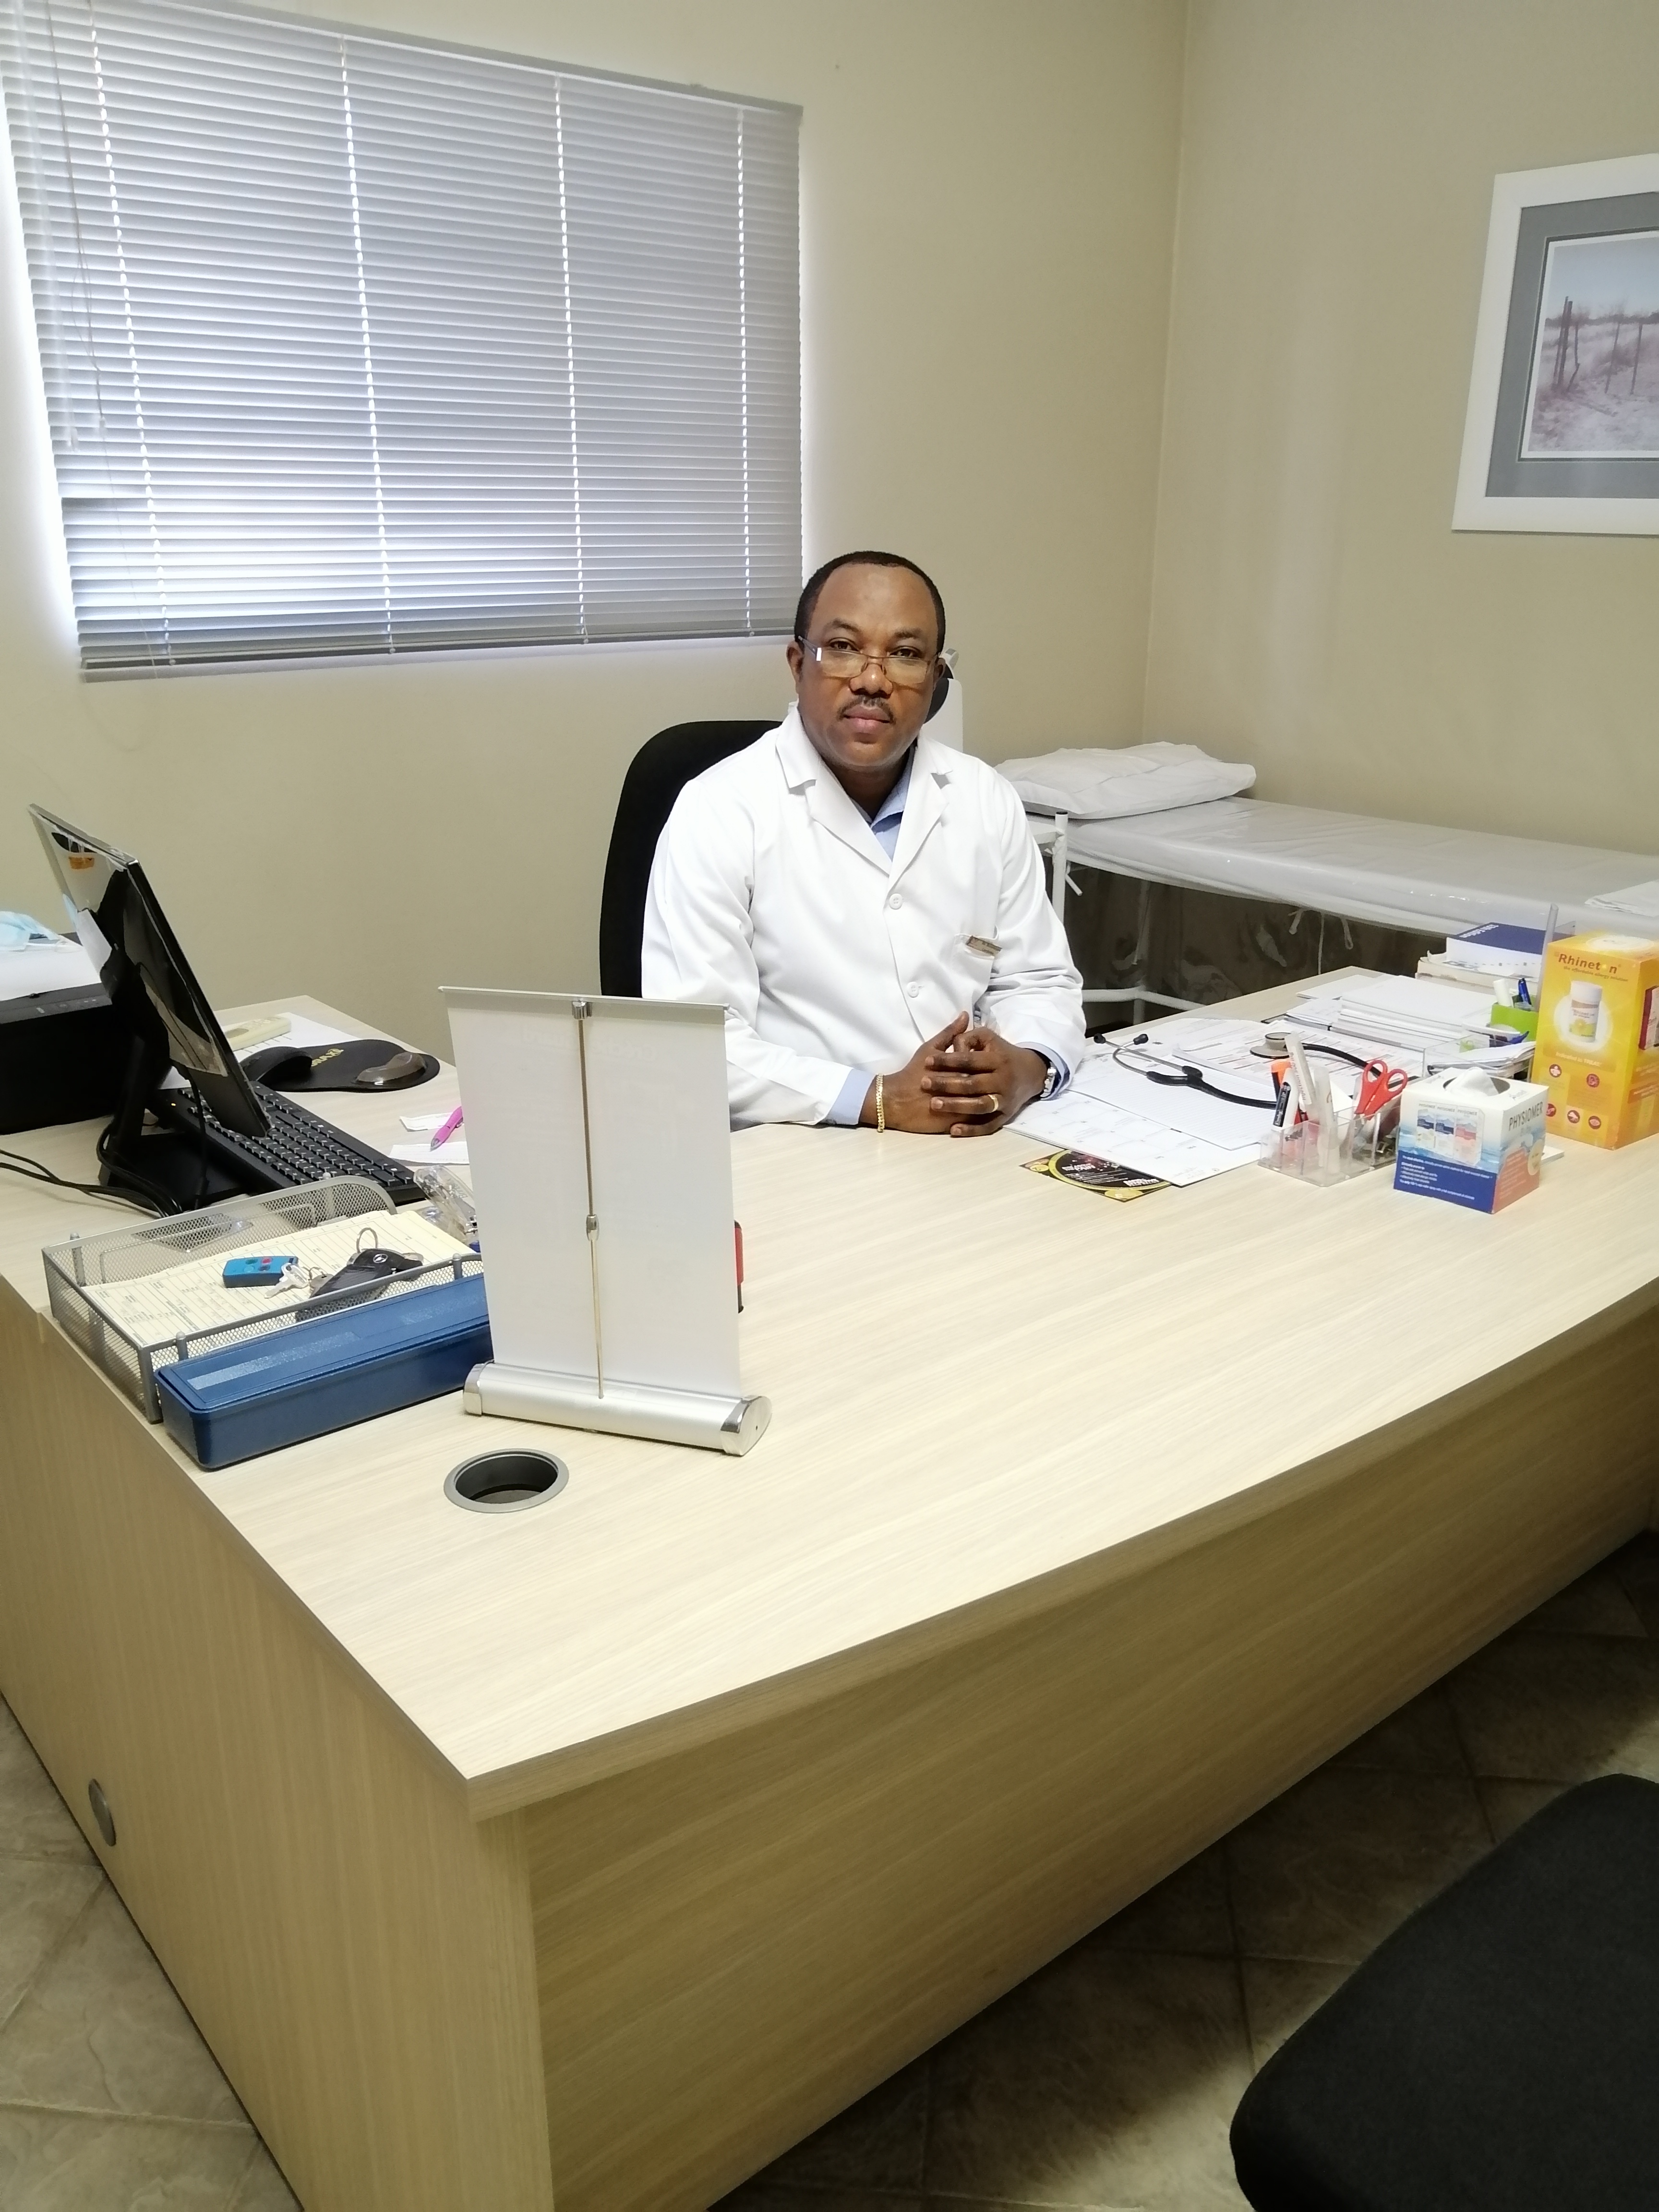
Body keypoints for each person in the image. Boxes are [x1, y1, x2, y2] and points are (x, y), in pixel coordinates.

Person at [641, 550, 1084, 1133]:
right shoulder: (719, 810)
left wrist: (1028, 1066)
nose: (873, 680)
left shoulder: (984, 797)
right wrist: (876, 1099)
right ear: (798, 664)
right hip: (804, 1141)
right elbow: (696, 1042)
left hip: (970, 1136)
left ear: (936, 680)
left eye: (905, 655)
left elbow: (1040, 979)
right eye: (843, 647)